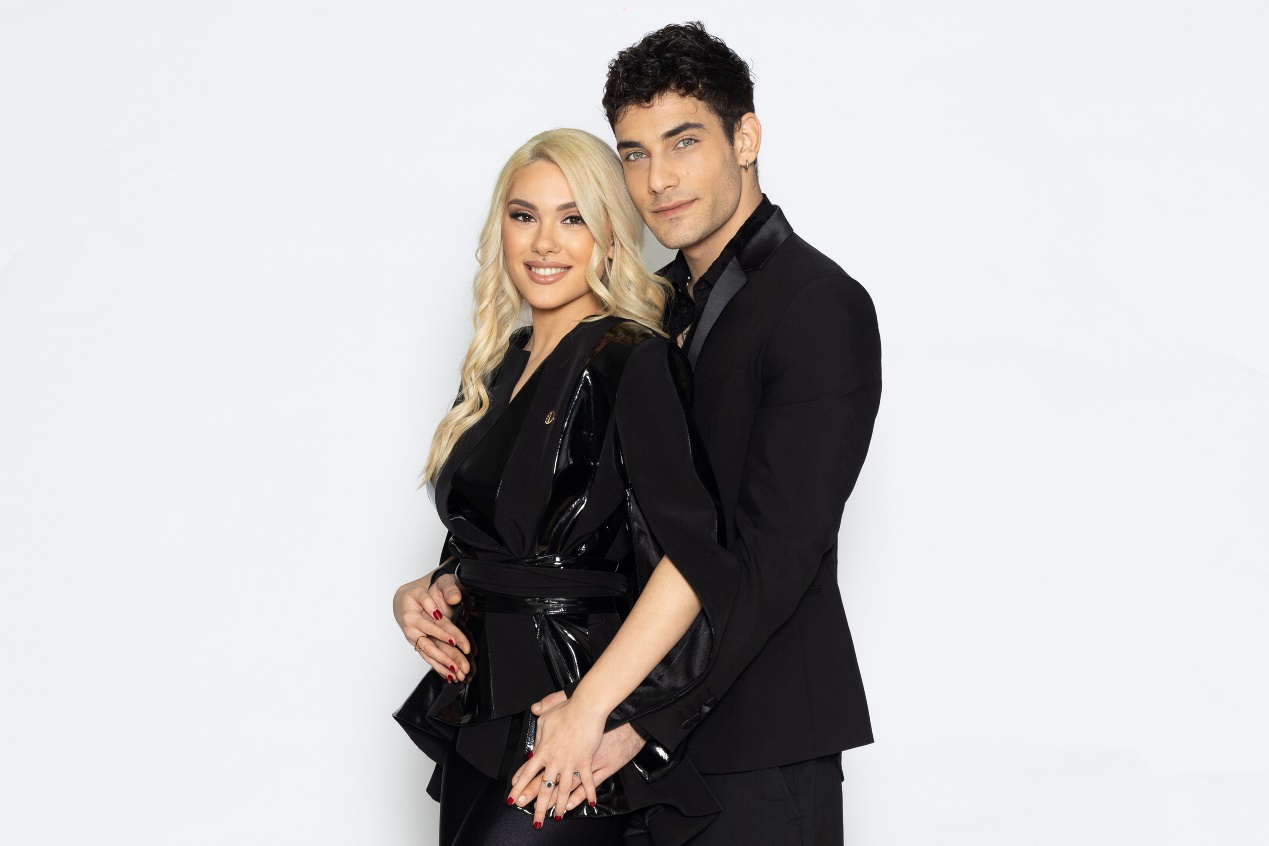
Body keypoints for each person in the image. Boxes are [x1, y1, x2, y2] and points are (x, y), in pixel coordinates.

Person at [523, 23, 884, 845]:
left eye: (683, 142)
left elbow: (774, 554)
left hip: (755, 745)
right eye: (634, 153)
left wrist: (636, 718)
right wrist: (452, 584)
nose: (656, 179)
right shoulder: (636, 309)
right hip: (608, 732)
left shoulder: (817, 306)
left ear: (744, 138)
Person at [391, 128, 742, 845]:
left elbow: (690, 563)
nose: (544, 242)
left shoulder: (633, 360)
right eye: (524, 216)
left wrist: (590, 710)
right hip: (478, 703)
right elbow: (505, 532)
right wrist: (430, 587)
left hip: (567, 706)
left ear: (609, 236)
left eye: (572, 217)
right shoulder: (495, 367)